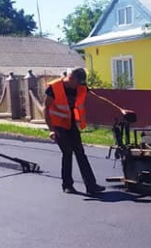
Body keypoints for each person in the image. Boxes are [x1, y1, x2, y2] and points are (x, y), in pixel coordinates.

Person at [44, 68, 105, 196]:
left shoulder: (79, 87)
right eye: (78, 83)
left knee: (80, 153)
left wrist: (118, 108)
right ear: (71, 78)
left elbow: (96, 97)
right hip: (58, 125)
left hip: (70, 123)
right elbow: (46, 108)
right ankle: (67, 185)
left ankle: (91, 185)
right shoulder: (54, 88)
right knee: (67, 152)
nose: (79, 86)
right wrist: (51, 129)